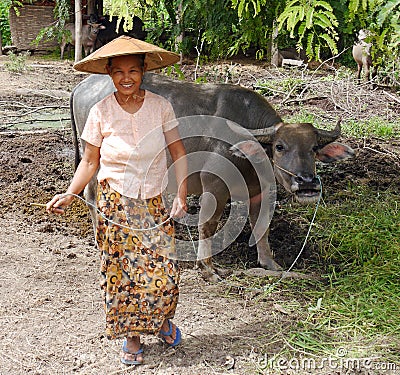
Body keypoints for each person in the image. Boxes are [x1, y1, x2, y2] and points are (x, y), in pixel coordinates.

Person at [46, 36, 187, 366]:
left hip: (152, 202)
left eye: (134, 71)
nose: (127, 78)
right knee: (123, 274)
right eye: (119, 71)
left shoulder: (160, 106)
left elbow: (178, 152)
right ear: (109, 73)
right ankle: (133, 336)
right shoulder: (101, 111)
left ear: (143, 71)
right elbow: (90, 161)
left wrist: (181, 194)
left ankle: (161, 320)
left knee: (164, 272)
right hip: (115, 204)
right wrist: (71, 192)